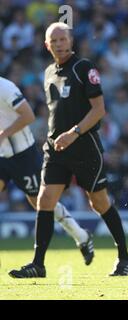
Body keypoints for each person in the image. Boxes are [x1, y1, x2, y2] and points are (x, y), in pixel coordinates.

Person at [9, 22, 128, 278]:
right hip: (56, 149)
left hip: (84, 147)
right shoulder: (47, 73)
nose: (58, 44)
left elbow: (99, 109)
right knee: (44, 201)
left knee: (99, 203)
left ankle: (125, 257)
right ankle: (38, 264)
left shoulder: (83, 68)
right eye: (53, 41)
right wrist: (56, 136)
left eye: (62, 39)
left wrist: (74, 133)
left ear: (71, 41)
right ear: (46, 45)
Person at [0, 76, 94, 270]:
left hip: (23, 155)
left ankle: (80, 235)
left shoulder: (5, 87)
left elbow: (28, 116)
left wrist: (2, 134)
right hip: (2, 156)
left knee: (41, 203)